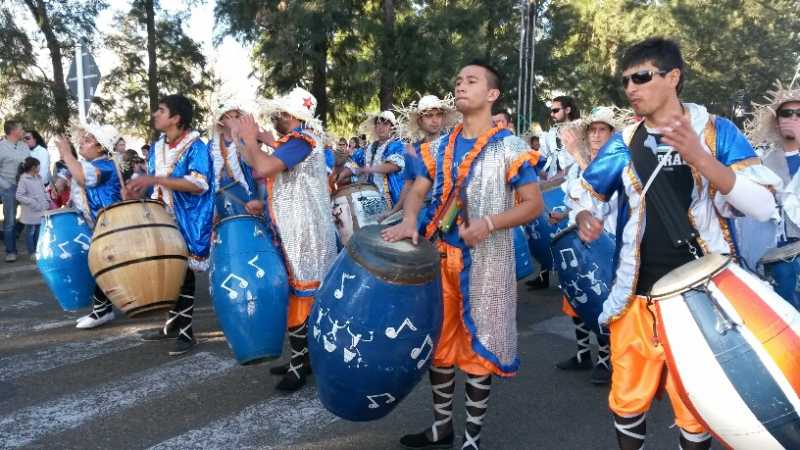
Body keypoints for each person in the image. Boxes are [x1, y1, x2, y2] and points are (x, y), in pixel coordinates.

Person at [572, 37, 778, 450]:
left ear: (673, 77)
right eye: (626, 80)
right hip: (635, 295)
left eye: (641, 77)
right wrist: (583, 218)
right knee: (627, 401)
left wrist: (700, 157)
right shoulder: (624, 141)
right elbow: (586, 195)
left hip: (701, 297)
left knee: (696, 409)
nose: (630, 88)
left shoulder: (717, 132)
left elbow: (762, 205)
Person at [383, 60, 542, 450]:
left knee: (478, 349)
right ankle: (441, 428)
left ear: (492, 94)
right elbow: (418, 189)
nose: (461, 86)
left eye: (471, 81)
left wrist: (489, 223)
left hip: (488, 263)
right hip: (440, 259)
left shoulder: (511, 147)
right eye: (458, 81)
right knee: (439, 346)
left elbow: (533, 204)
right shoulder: (440, 146)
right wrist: (409, 219)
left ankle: (472, 438)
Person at [236, 87, 337, 392]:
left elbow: (264, 166)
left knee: (301, 300)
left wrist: (251, 139)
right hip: (298, 230)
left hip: (304, 234)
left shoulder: (301, 141)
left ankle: (301, 364)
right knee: (297, 297)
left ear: (289, 115)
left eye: (278, 114)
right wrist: (246, 139)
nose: (274, 119)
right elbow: (257, 161)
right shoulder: (295, 141)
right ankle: (301, 358)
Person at [126, 94, 214, 356]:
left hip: (189, 217)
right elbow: (155, 183)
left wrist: (155, 180)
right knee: (169, 270)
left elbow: (198, 184)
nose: (155, 114)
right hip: (162, 216)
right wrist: (136, 190)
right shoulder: (157, 147)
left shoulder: (196, 147)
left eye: (161, 110)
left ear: (176, 118)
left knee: (182, 271)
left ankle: (186, 331)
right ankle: (174, 324)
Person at [551, 106, 625, 385]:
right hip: (577, 239)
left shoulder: (618, 160)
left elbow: (598, 189)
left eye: (601, 129)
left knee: (603, 299)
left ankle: (606, 359)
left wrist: (577, 155)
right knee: (576, 299)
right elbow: (575, 199)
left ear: (612, 134)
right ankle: (583, 354)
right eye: (592, 130)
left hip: (608, 241)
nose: (595, 135)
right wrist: (562, 213)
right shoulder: (577, 162)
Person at [54, 123, 125, 329]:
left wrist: (67, 154)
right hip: (102, 225)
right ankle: (103, 309)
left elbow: (84, 178)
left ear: (101, 147)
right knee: (101, 266)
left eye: (87, 141)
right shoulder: (94, 164)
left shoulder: (105, 166)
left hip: (111, 224)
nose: (81, 143)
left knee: (102, 266)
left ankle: (102, 311)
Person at [745, 80, 800, 308]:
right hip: (775, 259)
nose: (794, 118)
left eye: (799, 114)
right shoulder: (761, 163)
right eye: (787, 113)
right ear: (777, 122)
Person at [386, 94, 460, 225]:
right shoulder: (412, 151)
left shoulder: (454, 144)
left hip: (451, 211)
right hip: (422, 212)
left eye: (438, 115)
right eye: (429, 116)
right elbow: (408, 186)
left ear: (443, 118)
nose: (435, 120)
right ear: (420, 121)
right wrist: (394, 211)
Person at [207, 95, 263, 220]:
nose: (234, 120)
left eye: (237, 117)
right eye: (229, 117)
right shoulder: (211, 145)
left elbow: (252, 162)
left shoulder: (247, 139)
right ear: (221, 121)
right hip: (220, 194)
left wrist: (236, 137)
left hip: (245, 192)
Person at [341, 111, 406, 207]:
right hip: (371, 198)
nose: (380, 127)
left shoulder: (398, 145)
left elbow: (393, 166)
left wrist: (367, 169)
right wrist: (340, 176)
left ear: (392, 128)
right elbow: (353, 164)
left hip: (391, 200)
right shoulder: (368, 148)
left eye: (385, 124)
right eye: (378, 124)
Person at [0, 120, 29, 262]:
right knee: (10, 222)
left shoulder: (24, 146)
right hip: (9, 188)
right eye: (21, 128)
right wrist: (5, 185)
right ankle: (11, 251)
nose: (23, 131)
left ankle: (33, 250)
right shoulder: (1, 147)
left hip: (25, 187)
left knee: (31, 218)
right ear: (13, 131)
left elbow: (29, 164)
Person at [15, 157, 49, 260]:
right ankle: (31, 252)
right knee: (30, 232)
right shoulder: (24, 179)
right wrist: (33, 202)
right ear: (33, 167)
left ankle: (38, 250)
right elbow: (19, 196)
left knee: (39, 232)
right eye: (38, 166)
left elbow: (44, 190)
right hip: (30, 213)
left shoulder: (38, 177)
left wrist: (47, 200)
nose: (40, 168)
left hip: (41, 211)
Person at [539, 95, 580, 179]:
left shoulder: (581, 130)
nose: (552, 114)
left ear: (567, 110)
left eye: (555, 111)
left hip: (578, 181)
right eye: (551, 111)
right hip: (557, 183)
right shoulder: (550, 134)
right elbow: (541, 159)